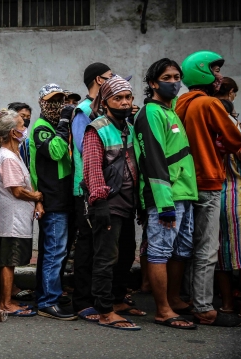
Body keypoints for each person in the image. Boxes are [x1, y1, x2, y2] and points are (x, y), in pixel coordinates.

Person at [176, 50, 241, 327]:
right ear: (203, 72)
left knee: (187, 246)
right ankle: (204, 307)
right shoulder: (209, 104)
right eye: (215, 70)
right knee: (207, 249)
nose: (219, 76)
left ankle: (190, 297)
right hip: (207, 179)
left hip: (184, 183)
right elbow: (235, 142)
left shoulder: (180, 103)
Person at [133, 58, 198, 329]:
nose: (174, 82)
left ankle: (173, 299)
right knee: (160, 251)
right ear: (153, 83)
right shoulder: (151, 113)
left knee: (180, 250)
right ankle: (162, 309)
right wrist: (164, 204)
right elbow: (153, 159)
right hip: (165, 197)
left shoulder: (170, 111)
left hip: (184, 194)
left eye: (176, 77)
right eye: (168, 77)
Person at [82, 76, 141, 330]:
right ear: (105, 102)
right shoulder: (97, 128)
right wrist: (100, 201)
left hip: (128, 203)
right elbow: (93, 169)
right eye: (119, 98)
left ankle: (118, 301)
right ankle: (105, 310)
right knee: (106, 258)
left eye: (128, 97)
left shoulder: (128, 127)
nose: (125, 102)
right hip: (108, 203)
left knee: (127, 254)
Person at [29, 83, 75, 320]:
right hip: (52, 199)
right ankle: (48, 300)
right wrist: (65, 122)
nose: (58, 105)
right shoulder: (41, 128)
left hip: (62, 197)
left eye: (62, 100)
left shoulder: (55, 126)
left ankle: (45, 293)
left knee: (55, 251)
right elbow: (56, 152)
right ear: (42, 103)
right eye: (53, 100)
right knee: (54, 252)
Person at [71, 63, 111, 322]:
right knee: (86, 246)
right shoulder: (84, 111)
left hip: (105, 187)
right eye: (110, 78)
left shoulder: (106, 110)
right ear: (98, 80)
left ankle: (102, 298)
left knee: (104, 247)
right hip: (86, 188)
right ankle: (82, 300)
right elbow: (85, 149)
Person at [0, 109, 39, 317]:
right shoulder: (9, 158)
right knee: (9, 261)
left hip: (15, 216)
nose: (24, 129)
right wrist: (37, 197)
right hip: (12, 217)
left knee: (10, 260)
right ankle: (6, 303)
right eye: (21, 126)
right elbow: (18, 191)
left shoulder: (13, 154)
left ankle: (6, 301)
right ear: (12, 132)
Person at [214, 80, 241, 320]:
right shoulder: (234, 131)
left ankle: (227, 304)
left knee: (220, 256)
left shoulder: (209, 131)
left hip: (214, 196)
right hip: (238, 197)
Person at [9, 102, 32, 172]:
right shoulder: (6, 144)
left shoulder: (27, 144)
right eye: (22, 116)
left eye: (28, 117)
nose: (25, 120)